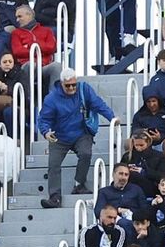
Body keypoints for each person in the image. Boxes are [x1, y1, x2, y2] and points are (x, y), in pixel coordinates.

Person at [38, 71, 115, 208]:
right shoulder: (51, 98)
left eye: (74, 85)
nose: (72, 88)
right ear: (61, 84)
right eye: (68, 86)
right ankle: (55, 196)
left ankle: (79, 184)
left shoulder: (84, 89)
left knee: (86, 153)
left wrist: (112, 118)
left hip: (82, 133)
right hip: (59, 136)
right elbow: (44, 119)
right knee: (53, 164)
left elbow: (98, 104)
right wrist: (45, 132)